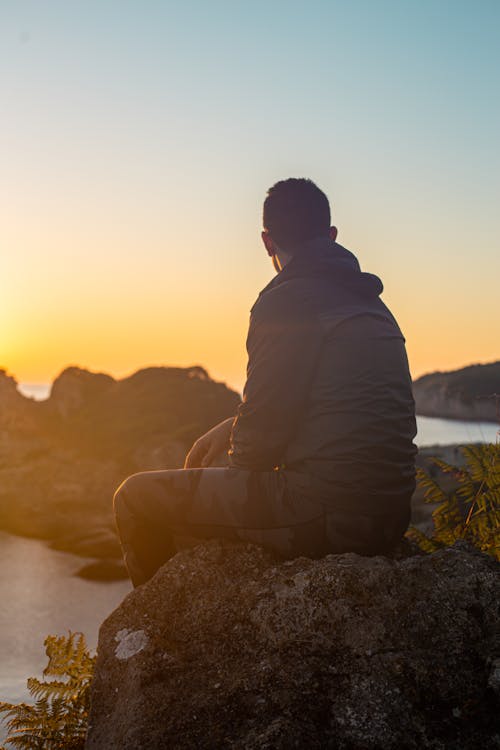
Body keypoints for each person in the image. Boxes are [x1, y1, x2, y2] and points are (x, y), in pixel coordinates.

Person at [114, 178, 417, 587]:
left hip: (329, 517)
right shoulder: (371, 301)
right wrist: (229, 428)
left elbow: (255, 453)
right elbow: (319, 403)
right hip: (390, 515)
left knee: (134, 498)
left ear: (267, 242)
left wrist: (237, 449)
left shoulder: (285, 300)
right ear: (331, 236)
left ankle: (156, 635)